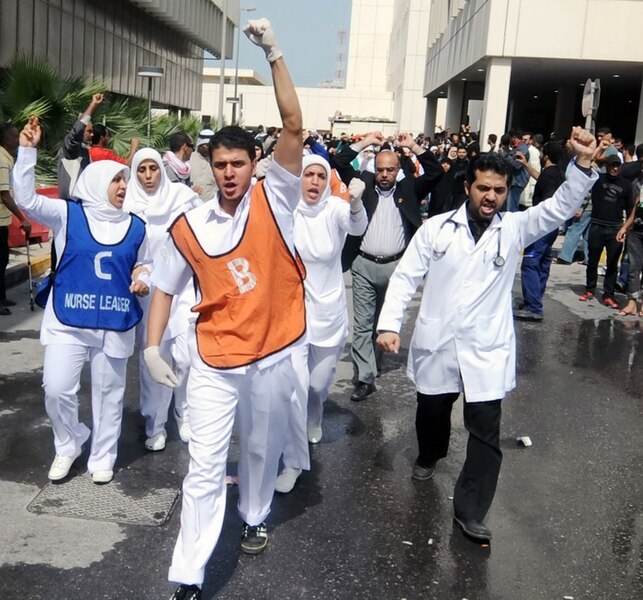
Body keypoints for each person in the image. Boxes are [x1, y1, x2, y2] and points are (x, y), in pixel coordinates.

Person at [143, 19, 304, 600]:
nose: (230, 173)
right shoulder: (189, 224)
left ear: (254, 164)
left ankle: (256, 511)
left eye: (240, 164)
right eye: (221, 164)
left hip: (269, 355)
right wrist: (152, 346)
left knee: (259, 449)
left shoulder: (276, 195)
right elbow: (164, 286)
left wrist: (273, 51)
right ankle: (189, 574)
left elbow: (293, 122)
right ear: (210, 165)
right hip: (213, 361)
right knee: (204, 466)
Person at [376, 127, 597, 543]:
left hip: (485, 352)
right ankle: (430, 453)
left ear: (507, 191)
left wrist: (582, 164)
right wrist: (389, 324)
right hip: (439, 344)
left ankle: (471, 511)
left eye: (498, 189)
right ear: (468, 187)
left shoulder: (513, 227)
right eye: (483, 188)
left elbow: (560, 208)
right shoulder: (437, 229)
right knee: (432, 413)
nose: (490, 197)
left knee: (485, 435)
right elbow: (406, 277)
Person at [13, 117, 151, 485]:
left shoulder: (137, 226)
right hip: (67, 320)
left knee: (109, 394)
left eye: (125, 179)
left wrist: (143, 278)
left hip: (114, 322)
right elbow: (25, 200)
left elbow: (146, 263)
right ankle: (69, 441)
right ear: (95, 182)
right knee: (56, 388)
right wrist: (27, 151)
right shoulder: (67, 214)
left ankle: (103, 456)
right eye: (116, 179)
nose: (123, 185)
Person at [275, 155, 367, 493]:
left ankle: (316, 416)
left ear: (327, 181)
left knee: (316, 386)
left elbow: (357, 226)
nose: (313, 182)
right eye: (307, 175)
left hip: (328, 314)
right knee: (296, 390)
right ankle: (293, 463)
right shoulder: (288, 212)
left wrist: (355, 203)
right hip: (293, 313)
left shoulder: (335, 210)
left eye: (319, 176)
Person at [334, 131, 443, 401]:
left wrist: (414, 147)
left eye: (390, 170)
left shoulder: (409, 189)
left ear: (398, 170)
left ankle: (374, 359)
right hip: (363, 264)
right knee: (361, 325)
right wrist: (366, 142)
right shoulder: (363, 183)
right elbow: (340, 162)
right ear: (375, 169)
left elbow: (436, 171)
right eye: (380, 169)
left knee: (383, 323)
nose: (384, 175)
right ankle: (364, 377)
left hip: (396, 267)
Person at [123, 148, 201, 449]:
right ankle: (156, 423)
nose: (147, 176)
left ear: (161, 168)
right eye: (141, 170)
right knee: (154, 357)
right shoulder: (128, 204)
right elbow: (129, 252)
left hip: (183, 288)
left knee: (186, 355)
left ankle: (185, 413)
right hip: (149, 291)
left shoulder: (183, 199)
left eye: (152, 169)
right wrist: (138, 275)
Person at [515, 141, 566, 320]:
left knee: (530, 263)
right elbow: (541, 178)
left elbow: (548, 197)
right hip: (552, 227)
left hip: (541, 225)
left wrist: (535, 216)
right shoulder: (557, 173)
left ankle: (533, 307)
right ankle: (534, 299)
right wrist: (526, 165)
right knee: (543, 264)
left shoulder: (550, 175)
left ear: (545, 155)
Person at [579, 154, 635, 307]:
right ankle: (590, 289)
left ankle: (608, 295)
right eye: (612, 165)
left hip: (615, 228)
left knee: (612, 264)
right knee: (592, 261)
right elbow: (586, 168)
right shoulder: (598, 180)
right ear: (608, 166)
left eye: (617, 166)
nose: (615, 168)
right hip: (597, 226)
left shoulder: (626, 185)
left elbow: (631, 209)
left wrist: (626, 229)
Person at [0, 122, 32, 313]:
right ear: (6, 139)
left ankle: (2, 297)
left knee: (2, 260)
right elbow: (3, 194)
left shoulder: (7, 158)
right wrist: (23, 218)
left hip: (2, 221)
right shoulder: (2, 161)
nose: (17, 140)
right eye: (14, 137)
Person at [57, 93, 103, 200]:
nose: (92, 135)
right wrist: (93, 105)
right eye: (89, 131)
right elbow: (76, 132)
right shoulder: (70, 149)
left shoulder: (84, 150)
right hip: (72, 203)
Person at [189, 129, 218, 201]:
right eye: (204, 144)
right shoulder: (190, 158)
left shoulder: (217, 160)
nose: (206, 147)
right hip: (192, 202)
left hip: (212, 202)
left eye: (209, 145)